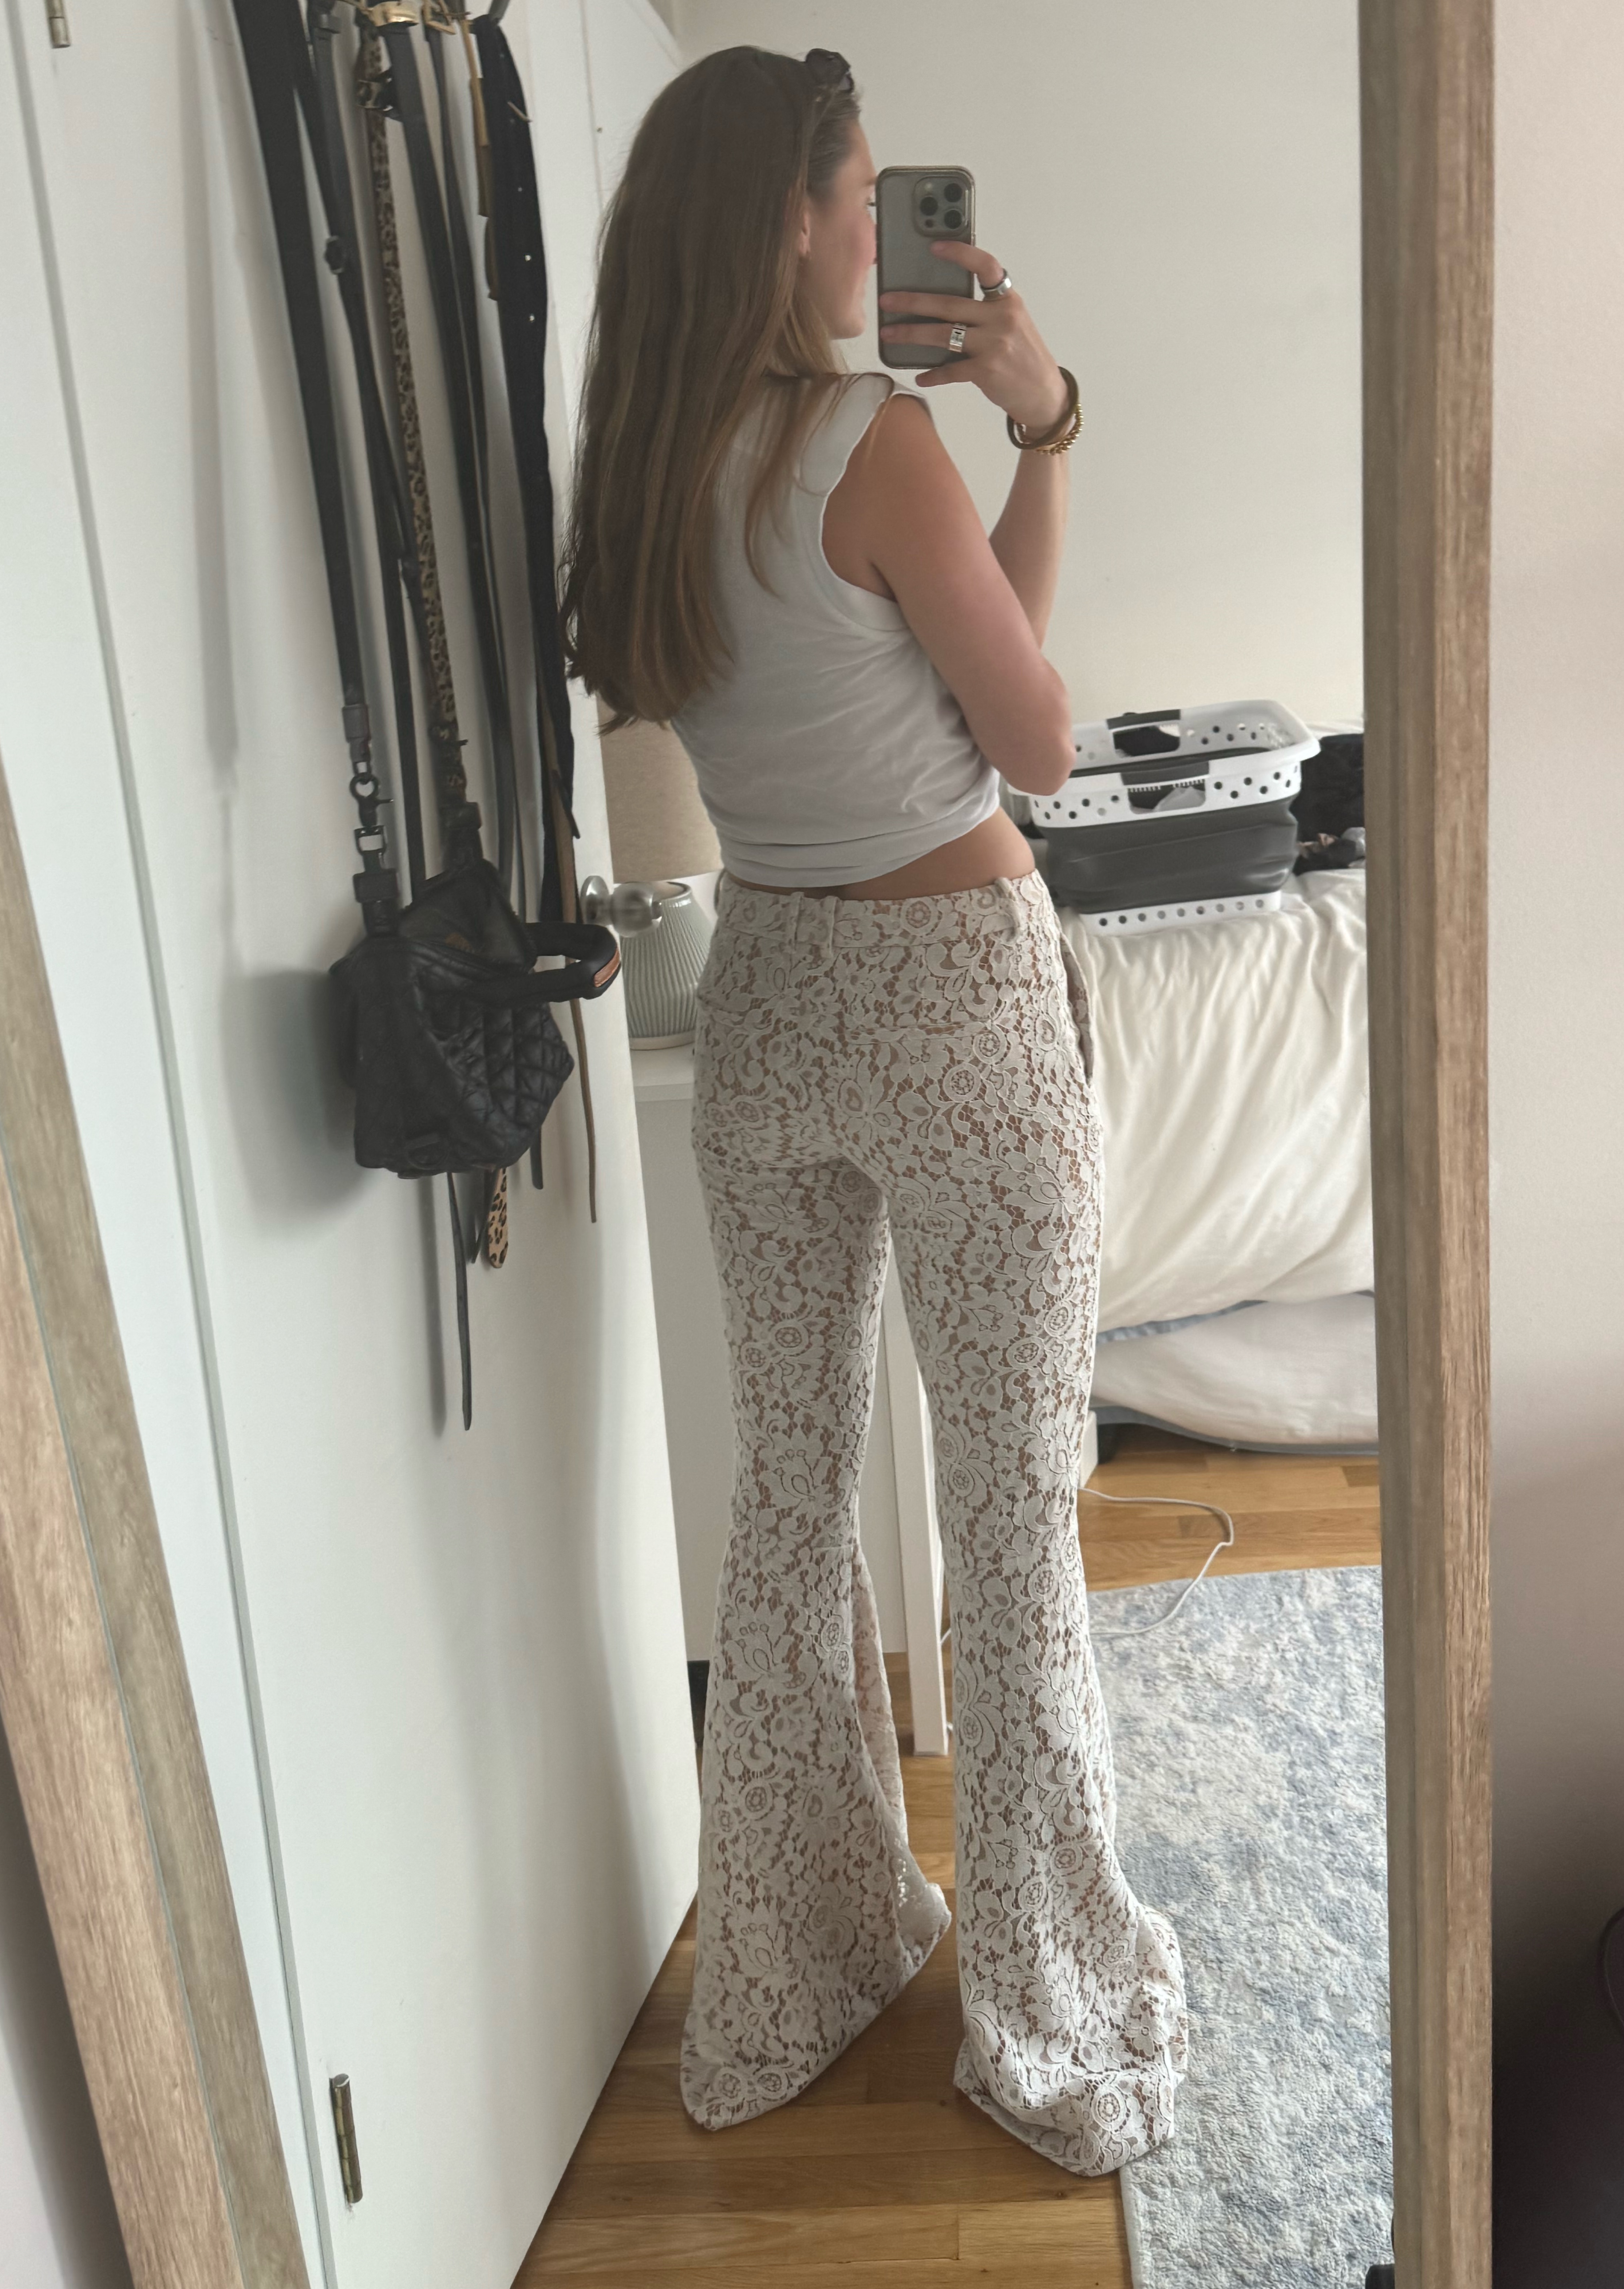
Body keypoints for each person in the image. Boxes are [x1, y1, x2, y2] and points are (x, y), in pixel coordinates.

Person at [562, 45, 1186, 2177]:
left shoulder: (645, 467)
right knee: (1008, 1511)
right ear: (796, 218)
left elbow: (918, 684)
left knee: (793, 1494)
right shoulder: (876, 437)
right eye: (855, 198)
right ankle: (1035, 1994)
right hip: (955, 1007)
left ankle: (796, 1959)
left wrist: (1002, 470)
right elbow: (1032, 731)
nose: (870, 236)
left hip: (774, 1005)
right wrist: (1050, 427)